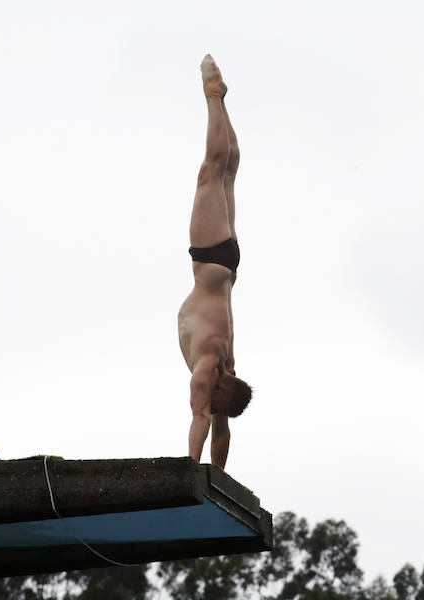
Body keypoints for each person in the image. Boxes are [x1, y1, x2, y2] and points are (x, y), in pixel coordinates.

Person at [178, 55, 253, 471]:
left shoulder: (227, 367)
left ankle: (220, 101)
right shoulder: (211, 367)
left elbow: (222, 427)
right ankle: (213, 98)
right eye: (217, 394)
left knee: (228, 170)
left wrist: (219, 477)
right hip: (210, 263)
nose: (211, 396)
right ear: (225, 386)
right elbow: (202, 418)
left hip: (227, 267)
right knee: (212, 171)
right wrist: (193, 469)